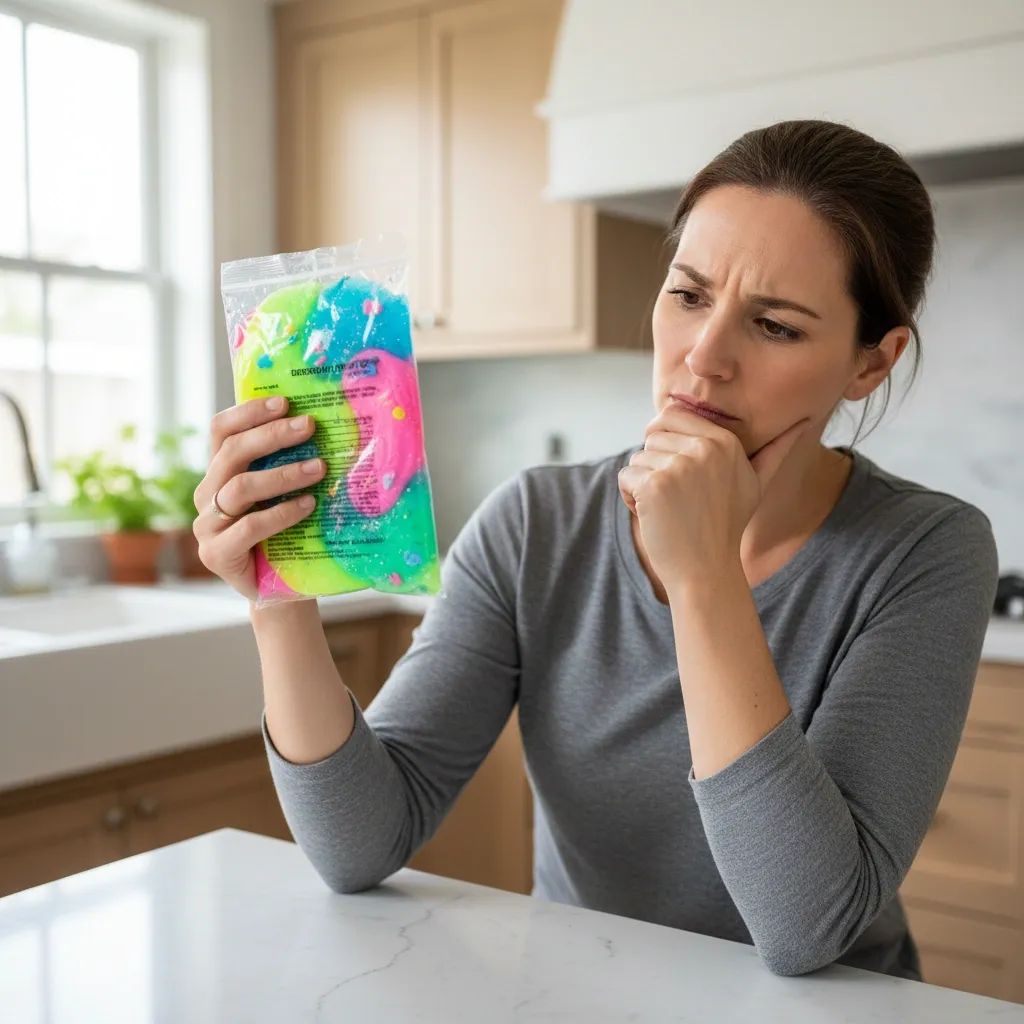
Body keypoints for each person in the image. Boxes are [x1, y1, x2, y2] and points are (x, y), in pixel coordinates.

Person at [192, 119, 999, 980]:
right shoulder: (538, 523)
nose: (704, 356)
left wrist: (702, 576)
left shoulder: (927, 551)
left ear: (871, 363)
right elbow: (358, 843)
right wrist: (276, 598)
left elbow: (806, 927)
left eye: (773, 325)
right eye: (688, 296)